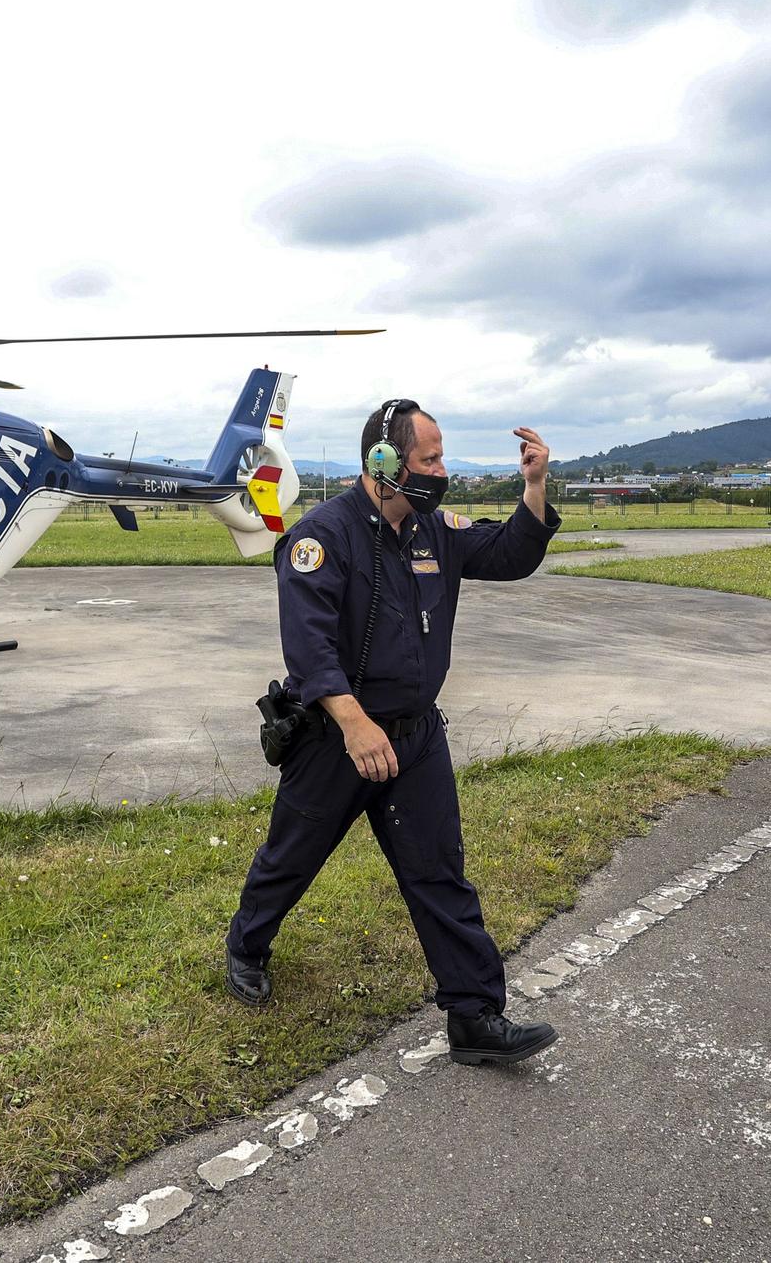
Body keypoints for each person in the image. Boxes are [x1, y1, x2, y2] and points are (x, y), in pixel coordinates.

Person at [226, 399, 563, 1065]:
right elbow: (310, 648)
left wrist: (534, 486)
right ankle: (247, 943)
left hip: (414, 738)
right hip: (336, 739)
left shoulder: (435, 529)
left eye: (440, 457)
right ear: (383, 462)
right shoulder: (320, 537)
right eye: (430, 458)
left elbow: (510, 551)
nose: (441, 471)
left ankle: (474, 1017)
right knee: (291, 859)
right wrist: (354, 725)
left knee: (440, 872)